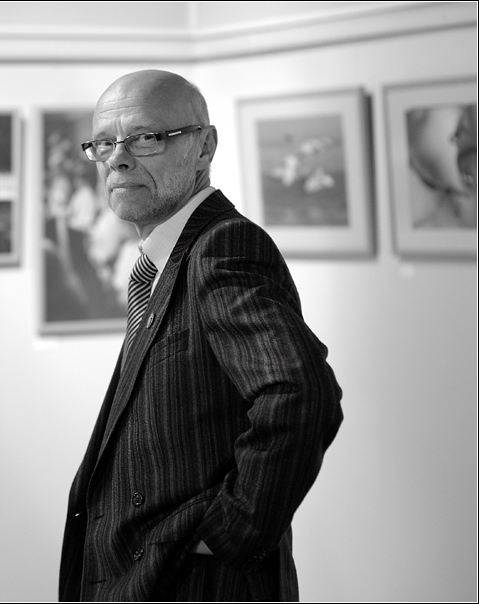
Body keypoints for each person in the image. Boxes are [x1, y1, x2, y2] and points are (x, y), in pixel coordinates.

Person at [59, 70, 343, 602]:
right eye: (104, 143)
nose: (118, 159)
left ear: (204, 147)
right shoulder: (165, 261)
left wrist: (230, 530)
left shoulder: (222, 247)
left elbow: (301, 394)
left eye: (145, 138)